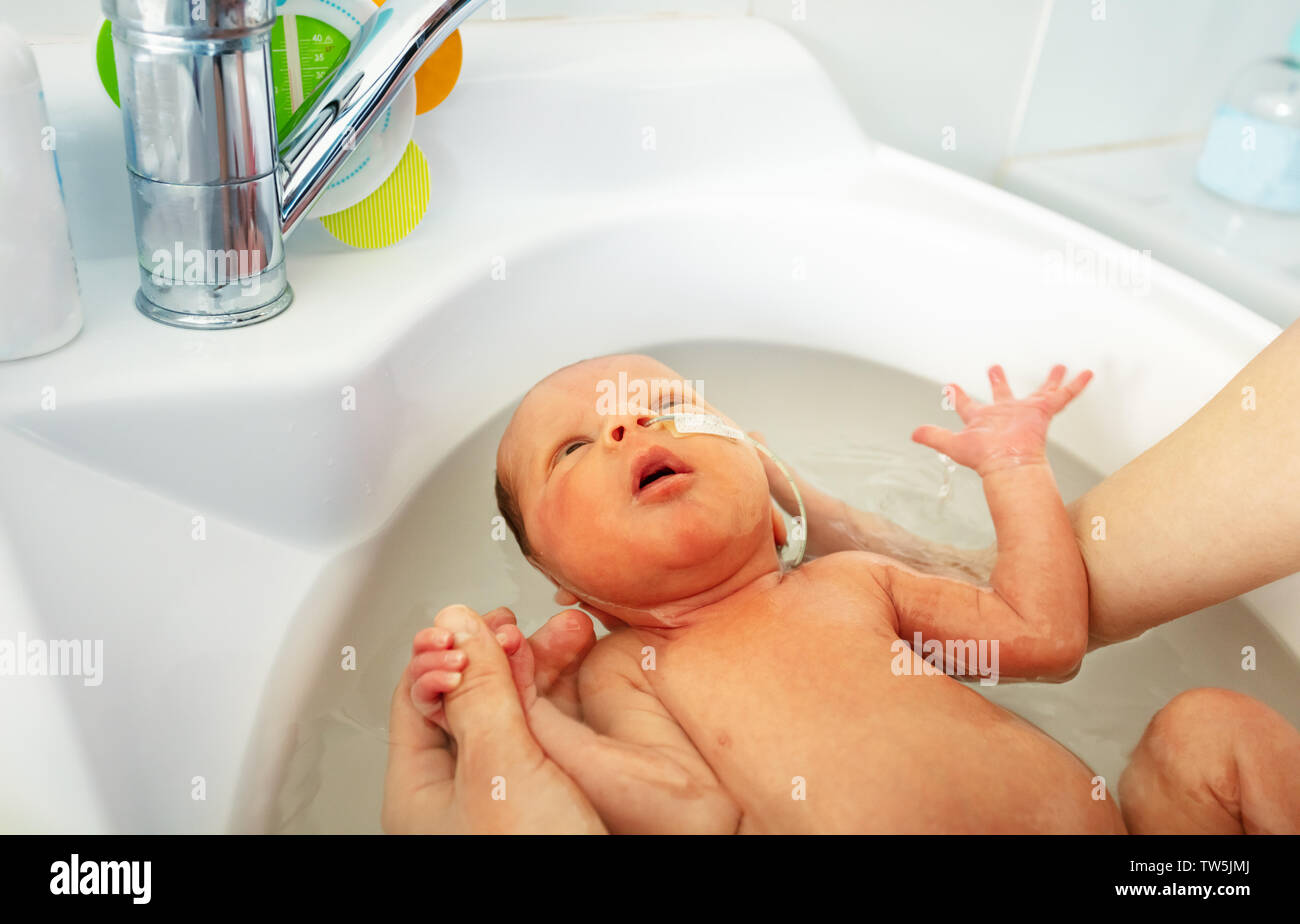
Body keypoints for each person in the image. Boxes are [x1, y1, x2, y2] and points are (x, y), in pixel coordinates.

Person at [382, 349, 1300, 833]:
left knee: (1210, 732)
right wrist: (530, 722)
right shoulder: (625, 672)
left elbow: (1047, 634)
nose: (628, 426)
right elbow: (688, 813)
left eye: (668, 408)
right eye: (574, 449)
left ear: (764, 476)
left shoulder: (853, 583)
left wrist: (1015, 466)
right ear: (559, 581)